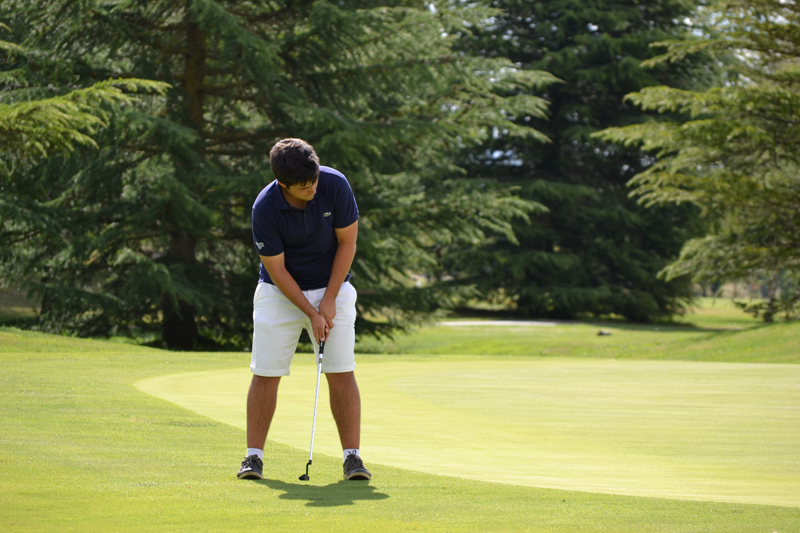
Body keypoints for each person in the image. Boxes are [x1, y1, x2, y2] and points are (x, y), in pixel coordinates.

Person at [237, 138, 371, 481]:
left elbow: (348, 242)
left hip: (333, 285)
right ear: (282, 183)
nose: (311, 188)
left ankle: (352, 458)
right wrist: (311, 313)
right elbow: (277, 270)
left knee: (341, 370)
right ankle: (253, 458)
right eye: (302, 186)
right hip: (278, 292)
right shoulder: (264, 208)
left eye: (313, 180)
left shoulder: (334, 184)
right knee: (265, 372)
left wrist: (327, 300)